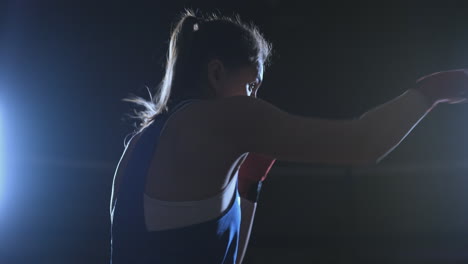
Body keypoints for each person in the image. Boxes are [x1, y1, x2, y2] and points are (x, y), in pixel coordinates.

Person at [109, 8, 468, 264]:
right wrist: (432, 90)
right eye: (252, 85)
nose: (254, 99)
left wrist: (249, 186)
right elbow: (363, 143)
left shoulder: (139, 143)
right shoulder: (227, 117)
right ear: (216, 73)